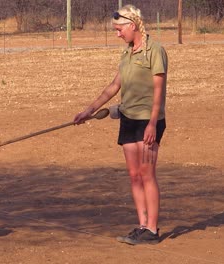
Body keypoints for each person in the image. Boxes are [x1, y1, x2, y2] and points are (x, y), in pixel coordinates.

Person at [73, 4, 168, 245]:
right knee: (135, 175)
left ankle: (153, 231)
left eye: (119, 29)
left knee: (147, 174)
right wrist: (89, 110)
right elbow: (114, 86)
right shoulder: (126, 53)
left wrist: (152, 124)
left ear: (132, 26)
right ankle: (142, 225)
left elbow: (159, 91)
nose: (117, 34)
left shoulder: (155, 50)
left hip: (149, 120)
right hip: (128, 119)